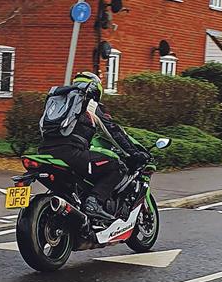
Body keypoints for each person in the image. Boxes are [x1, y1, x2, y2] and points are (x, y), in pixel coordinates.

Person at [39, 71, 149, 219]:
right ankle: (94, 202)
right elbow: (113, 131)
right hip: (71, 153)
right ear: (96, 88)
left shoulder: (59, 103)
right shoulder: (89, 103)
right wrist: (134, 153)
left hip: (44, 152)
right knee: (116, 166)